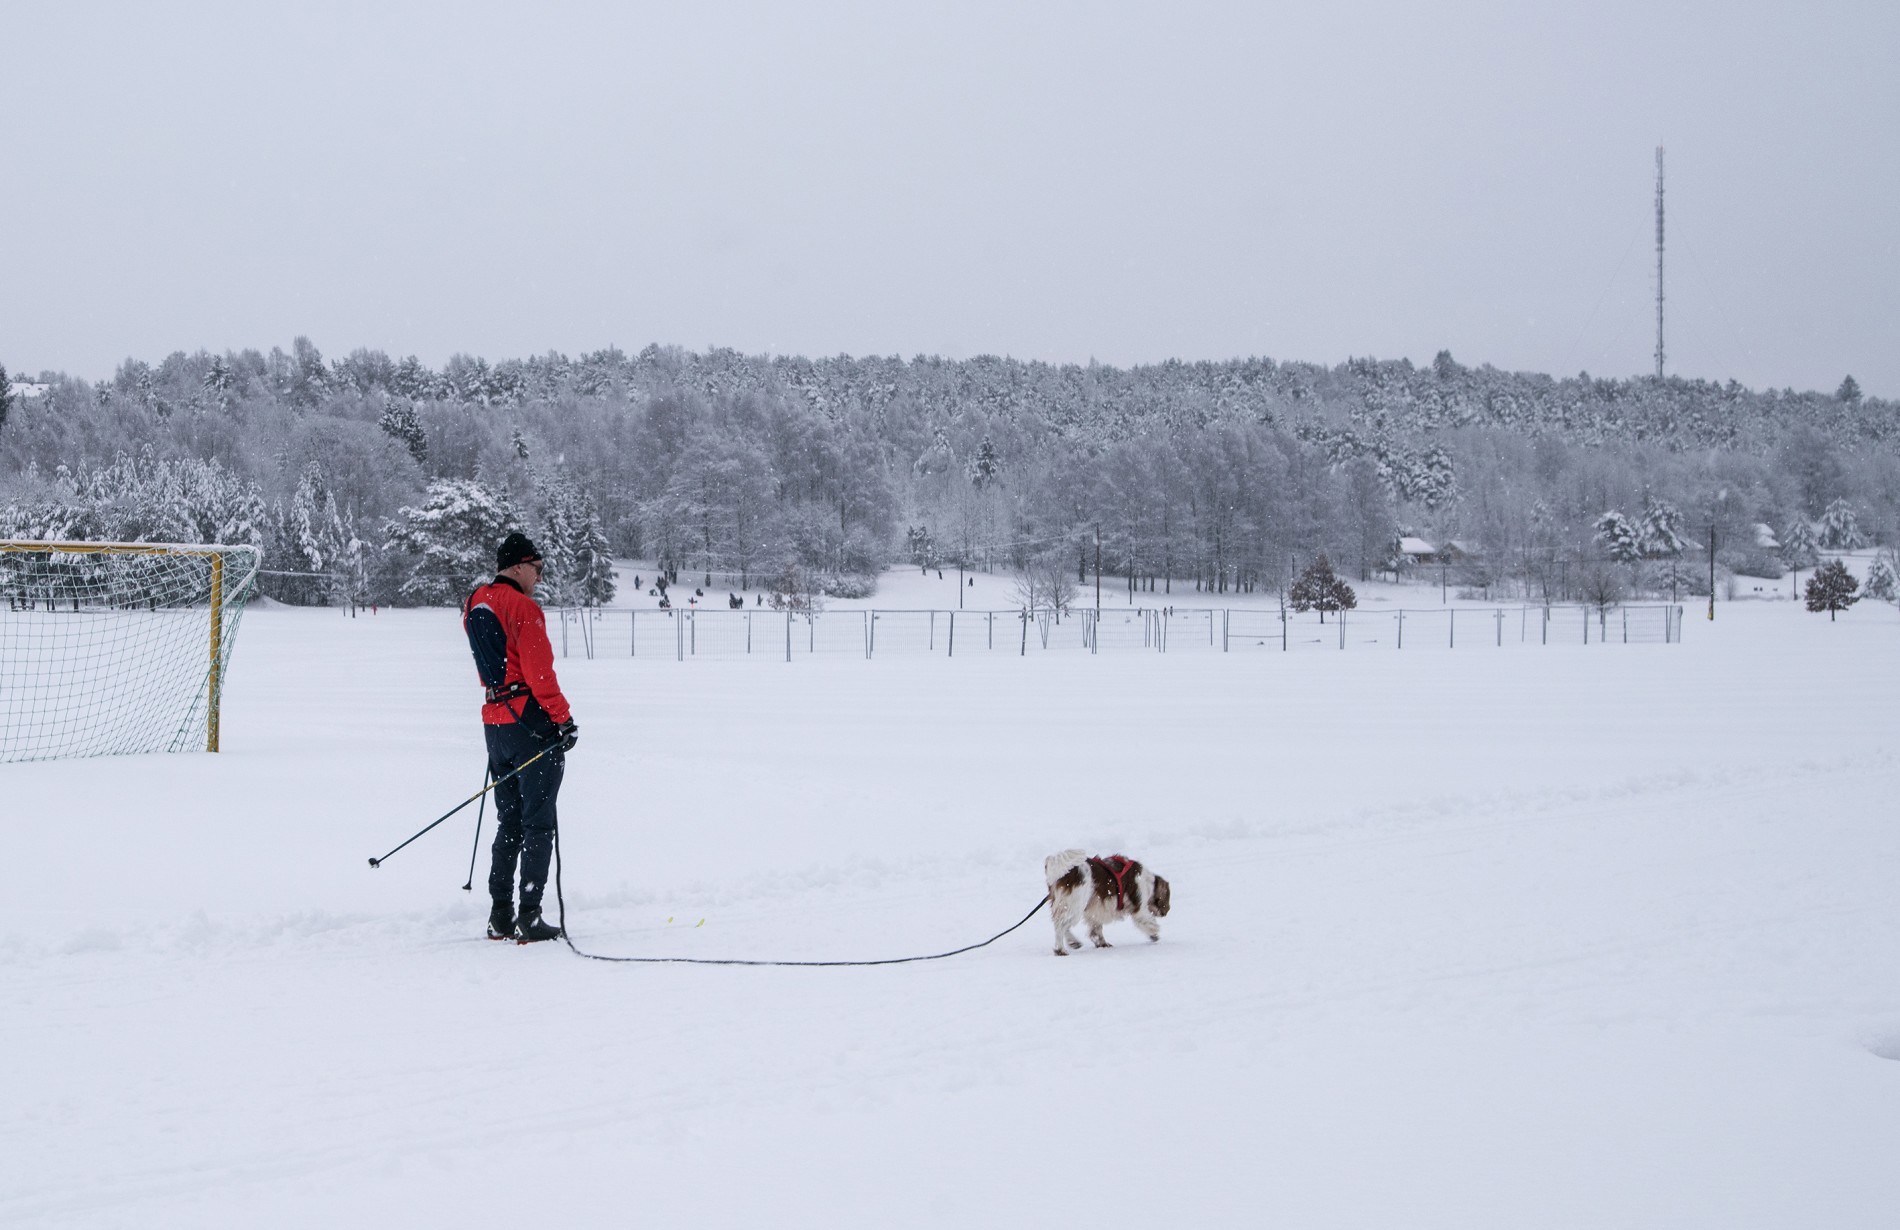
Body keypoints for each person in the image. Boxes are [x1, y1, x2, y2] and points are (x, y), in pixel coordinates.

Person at [462, 532, 578, 943]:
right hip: (529, 720)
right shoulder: (523, 607)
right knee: (537, 822)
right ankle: (529, 915)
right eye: (537, 568)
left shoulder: (474, 601)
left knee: (508, 821)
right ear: (517, 566)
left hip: (494, 721)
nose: (539, 576)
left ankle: (500, 915)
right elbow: (539, 673)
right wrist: (564, 720)